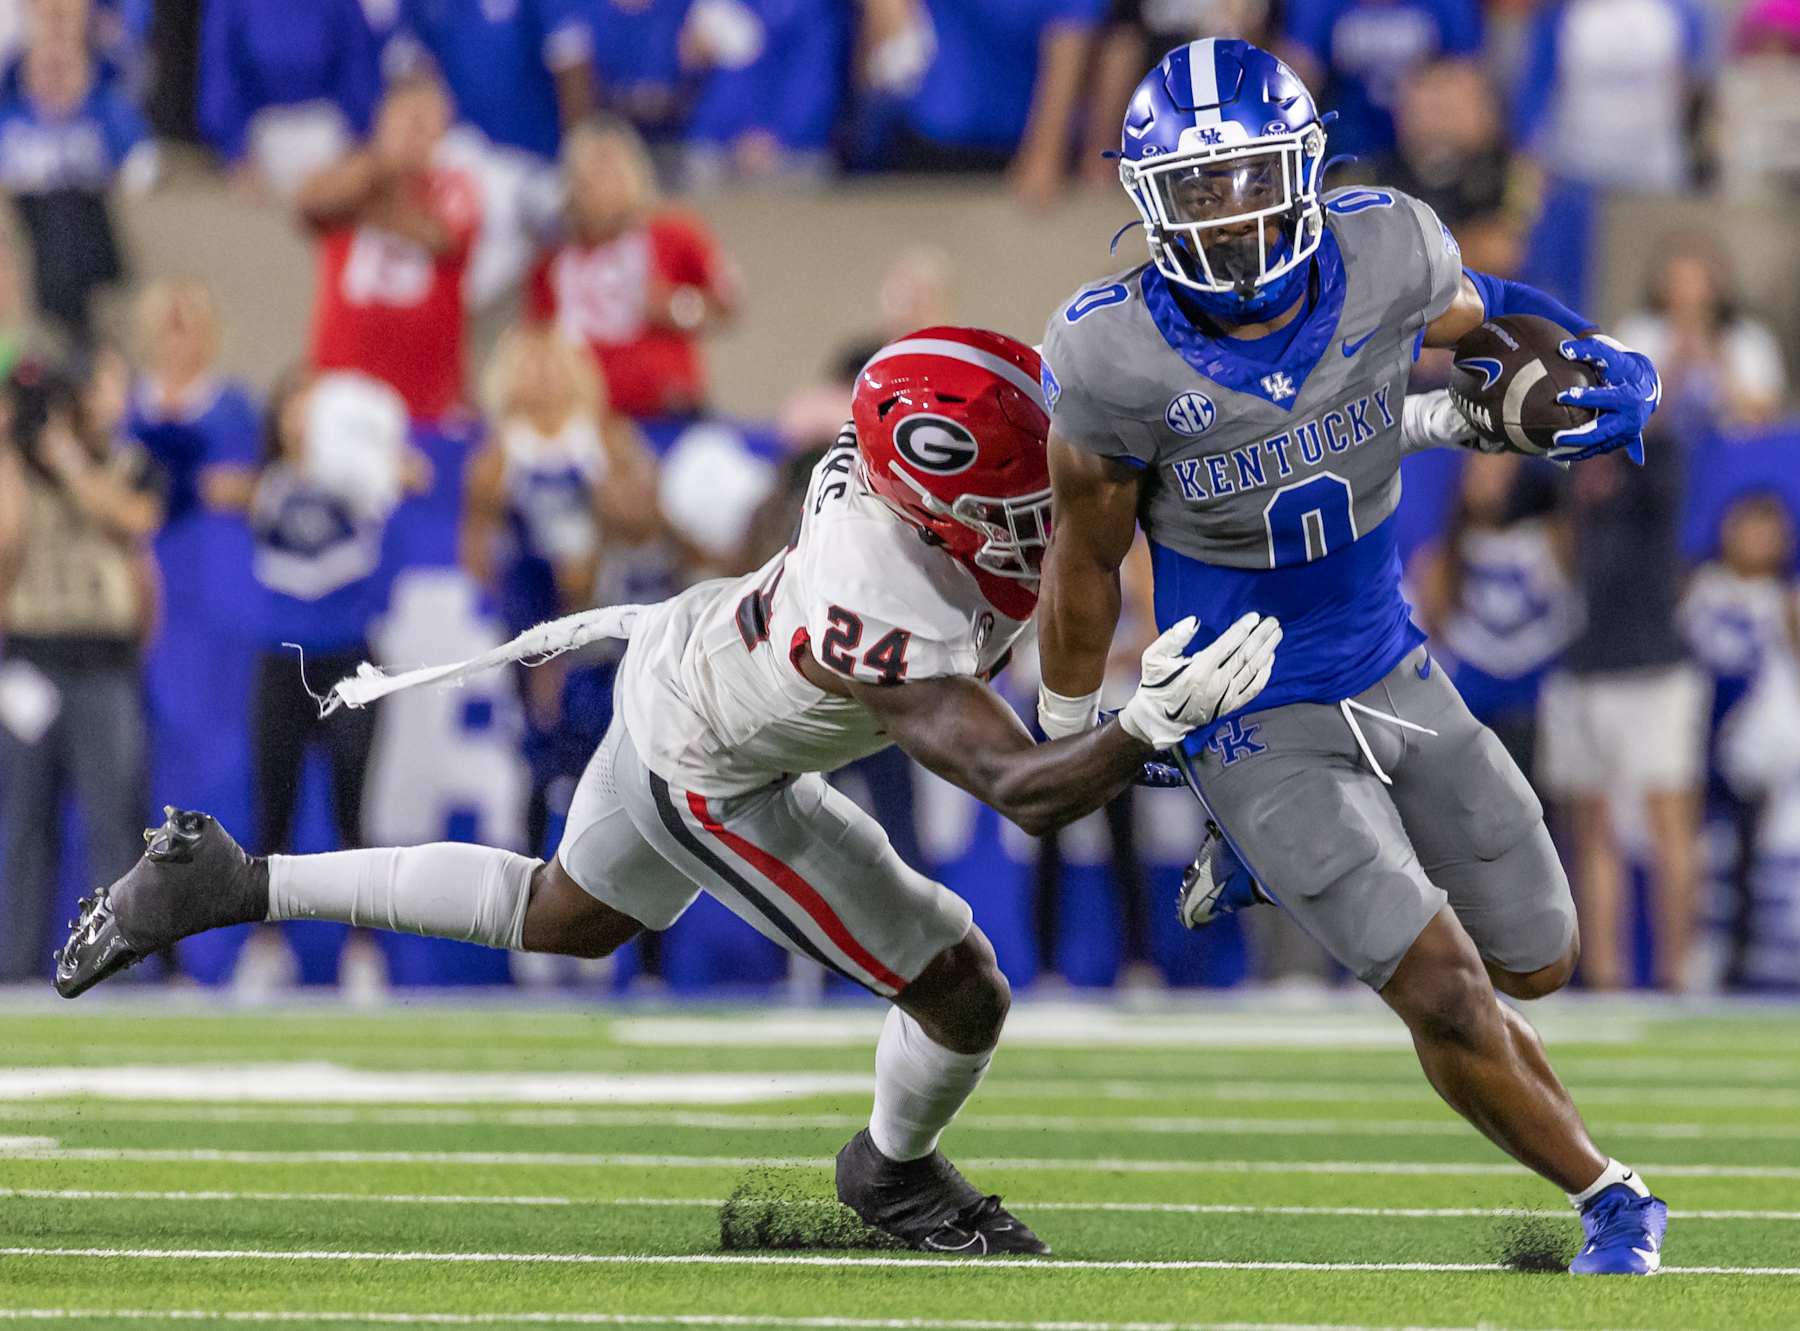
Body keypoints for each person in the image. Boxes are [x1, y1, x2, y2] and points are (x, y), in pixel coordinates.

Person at [55, 327, 1281, 1256]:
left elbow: (1067, 593)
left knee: (568, 912)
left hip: (688, 655)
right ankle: (893, 1170)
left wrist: (1102, 723)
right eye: (1023, 497)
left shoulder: (915, 502)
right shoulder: (884, 607)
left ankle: (233, 880)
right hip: (715, 764)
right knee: (962, 985)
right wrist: (1137, 728)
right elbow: (1024, 790)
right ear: (941, 503)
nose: (1052, 510)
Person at [1033, 39, 1668, 1273]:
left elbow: (1488, 309)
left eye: (1247, 178)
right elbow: (1086, 561)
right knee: (1440, 984)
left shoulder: (1386, 249)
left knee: (1540, 957)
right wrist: (1072, 730)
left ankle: (1263, 862)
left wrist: (1601, 355)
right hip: (1250, 706)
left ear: (1307, 167)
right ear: (1148, 200)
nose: (1227, 214)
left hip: (1391, 661)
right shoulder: (1112, 356)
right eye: (1196, 188)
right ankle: (1611, 1196)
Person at [459, 324, 661, 852]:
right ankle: (534, 873)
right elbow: (477, 554)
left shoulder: (607, 439)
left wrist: (605, 510)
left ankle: (616, 870)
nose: (543, 379)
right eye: (530, 367)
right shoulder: (497, 457)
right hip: (535, 628)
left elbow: (646, 522)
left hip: (605, 630)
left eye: (553, 366)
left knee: (615, 754)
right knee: (540, 758)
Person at [0, 354, 162, 982]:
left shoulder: (122, 461)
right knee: (22, 822)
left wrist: (67, 458)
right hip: (31, 660)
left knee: (112, 821)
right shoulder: (15, 469)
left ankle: (117, 968)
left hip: (102, 660)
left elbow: (135, 517)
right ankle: (14, 968)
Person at [527, 116, 738, 423]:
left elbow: (728, 305)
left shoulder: (673, 235)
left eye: (612, 172)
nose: (602, 187)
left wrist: (677, 307)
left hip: (665, 411)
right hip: (585, 416)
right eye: (591, 175)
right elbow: (539, 340)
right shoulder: (553, 260)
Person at [299, 69, 481, 424]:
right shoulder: (351, 172)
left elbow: (441, 237)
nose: (415, 133)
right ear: (383, 119)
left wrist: (364, 209)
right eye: (408, 119)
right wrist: (376, 170)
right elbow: (310, 203)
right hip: (341, 386)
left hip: (425, 395)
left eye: (426, 123)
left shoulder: (455, 185)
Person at [1679, 492, 1800, 988]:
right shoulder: (1696, 588)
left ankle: (1747, 960)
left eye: (1767, 532)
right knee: (1696, 858)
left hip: (1756, 755)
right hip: (1695, 745)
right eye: (1747, 527)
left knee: (1752, 859)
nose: (1755, 541)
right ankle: (1690, 956)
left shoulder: (1785, 600)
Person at [1408, 454, 1578, 784]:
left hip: (1539, 702)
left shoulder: (1551, 538)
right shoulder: (1448, 553)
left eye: (1500, 471)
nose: (1487, 481)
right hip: (1475, 702)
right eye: (1479, 470)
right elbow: (1436, 621)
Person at [0, 18, 154, 344]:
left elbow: (144, 168)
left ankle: (78, 326)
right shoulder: (9, 120)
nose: (55, 78)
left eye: (65, 67)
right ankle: (75, 329)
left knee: (74, 204)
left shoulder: (107, 113)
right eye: (46, 68)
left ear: (87, 71)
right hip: (31, 223)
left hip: (91, 225)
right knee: (54, 209)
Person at [196, 0, 383, 199]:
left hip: (329, 136)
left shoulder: (340, 5)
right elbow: (220, 78)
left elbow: (358, 72)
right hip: (258, 140)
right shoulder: (230, 6)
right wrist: (236, 151)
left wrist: (359, 143)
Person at [1613, 240, 1789, 429]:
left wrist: (1717, 362)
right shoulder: (1638, 333)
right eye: (1679, 281)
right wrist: (1673, 364)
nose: (1689, 293)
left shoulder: (1749, 339)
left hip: (1732, 442)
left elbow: (1767, 414)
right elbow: (1621, 412)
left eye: (1698, 282)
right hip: (1654, 445)